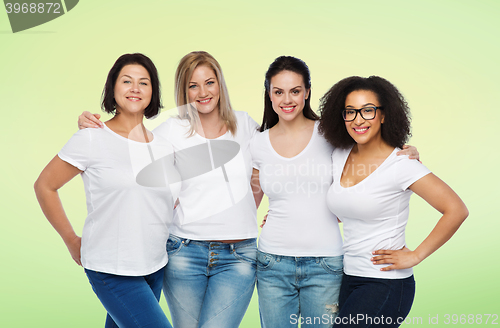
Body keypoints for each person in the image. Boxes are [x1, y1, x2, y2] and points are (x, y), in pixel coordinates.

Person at [78, 51, 261, 328]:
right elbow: (124, 150)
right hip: (183, 252)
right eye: (193, 85)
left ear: (220, 84)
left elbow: (275, 155)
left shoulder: (245, 124)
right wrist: (91, 127)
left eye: (209, 82)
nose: (203, 92)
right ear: (183, 90)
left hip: (238, 256)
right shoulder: (170, 132)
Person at [250, 57, 419, 328]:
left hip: (326, 264)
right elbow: (251, 200)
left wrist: (406, 150)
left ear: (307, 92)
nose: (287, 99)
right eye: (278, 91)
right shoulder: (256, 143)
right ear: (268, 95)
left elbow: (369, 153)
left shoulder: (330, 135)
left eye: (295, 90)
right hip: (272, 263)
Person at [34, 53, 176, 327]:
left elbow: (167, 202)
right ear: (113, 88)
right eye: (127, 81)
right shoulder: (91, 137)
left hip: (154, 265)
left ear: (153, 92)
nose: (135, 88)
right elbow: (45, 185)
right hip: (111, 268)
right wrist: (70, 239)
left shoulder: (163, 145)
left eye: (144, 83)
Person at [318, 76, 468, 327]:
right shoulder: (339, 155)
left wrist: (416, 255)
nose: (358, 120)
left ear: (383, 115)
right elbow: (344, 211)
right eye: (350, 112)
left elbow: (456, 210)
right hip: (349, 277)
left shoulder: (401, 164)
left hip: (386, 282)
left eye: (368, 110)